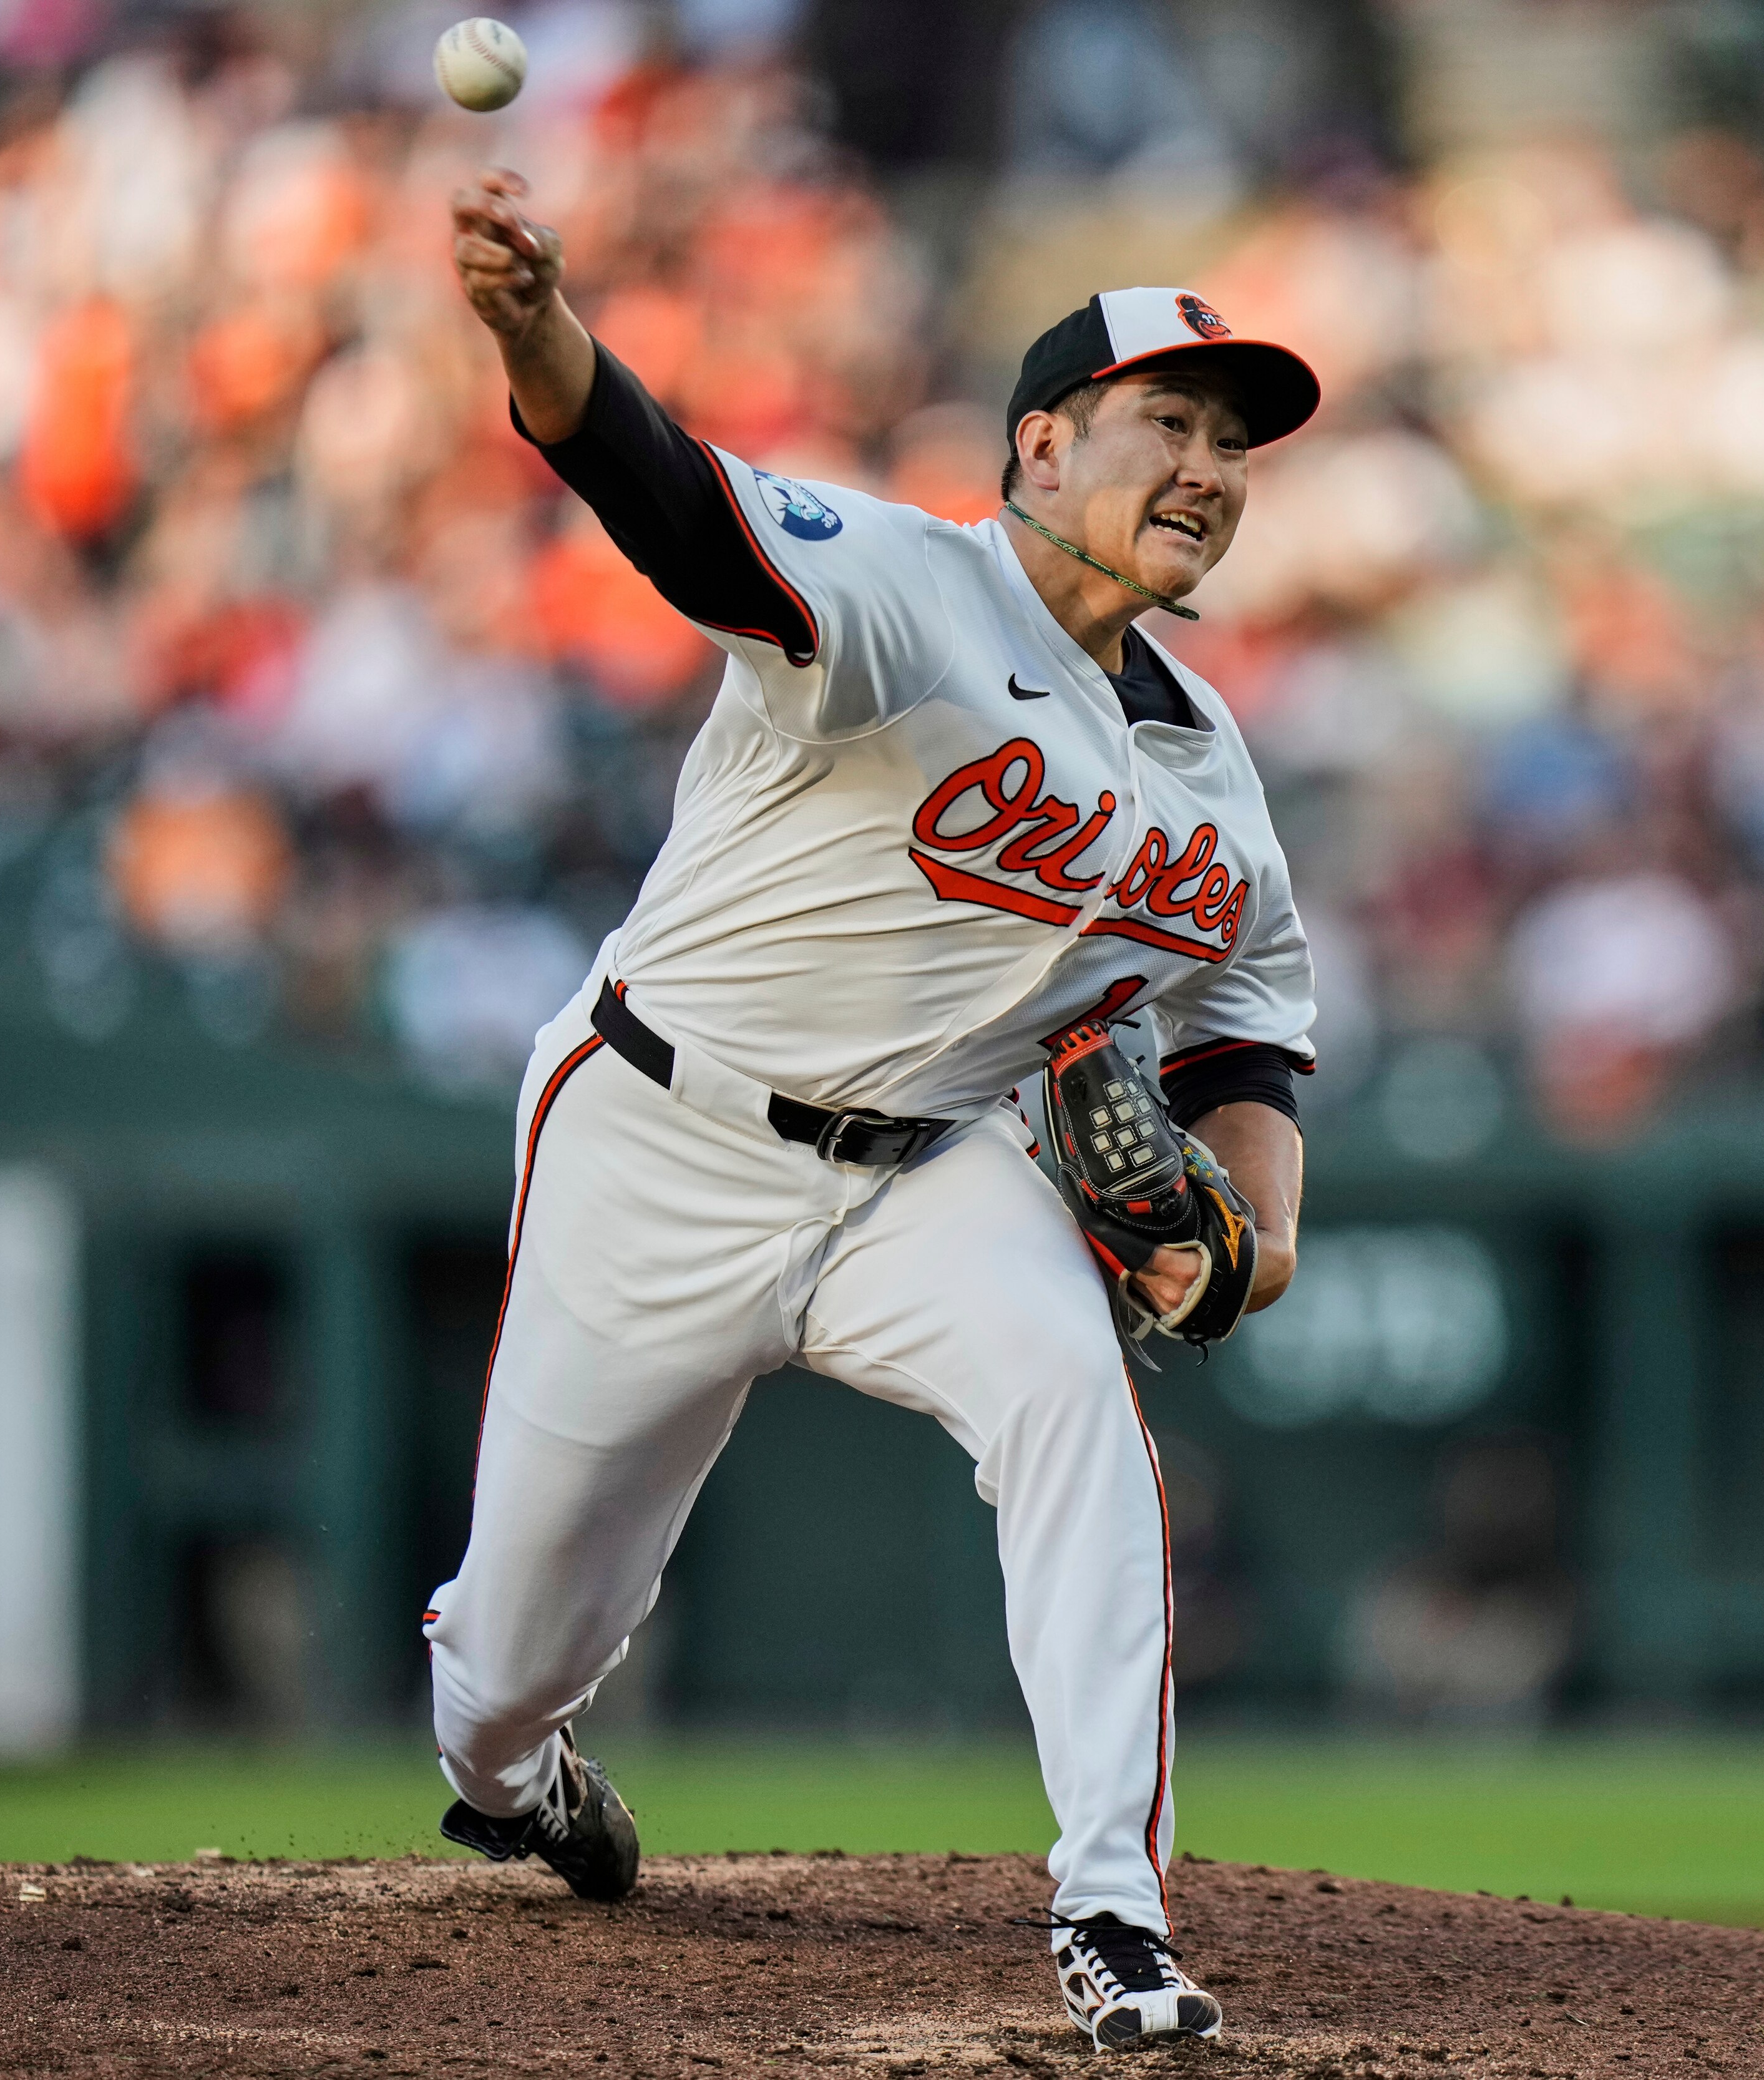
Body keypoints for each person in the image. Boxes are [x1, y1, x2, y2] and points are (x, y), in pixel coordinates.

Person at [424, 167, 1322, 2048]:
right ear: (1044, 444)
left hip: (929, 1177)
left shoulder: (1205, 762)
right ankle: (519, 1780)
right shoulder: (907, 585)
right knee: (515, 1660)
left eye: (1234, 444)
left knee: (1075, 1405)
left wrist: (1258, 1222)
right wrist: (537, 339)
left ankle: (1111, 1908)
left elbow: (1245, 1025)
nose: (1212, 469)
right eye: (1171, 421)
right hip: (662, 1134)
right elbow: (677, 511)